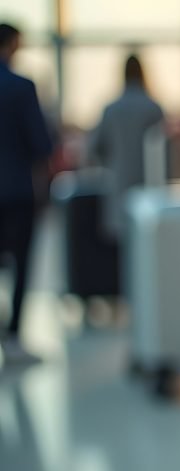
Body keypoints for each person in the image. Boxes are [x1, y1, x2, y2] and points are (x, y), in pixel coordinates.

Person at [0, 23, 53, 364]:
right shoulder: (21, 87)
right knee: (21, 264)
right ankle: (13, 337)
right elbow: (41, 145)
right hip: (17, 190)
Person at [87, 54, 164, 240]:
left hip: (118, 183)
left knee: (122, 246)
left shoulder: (111, 109)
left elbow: (95, 148)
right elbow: (163, 150)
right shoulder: (153, 108)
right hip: (148, 185)